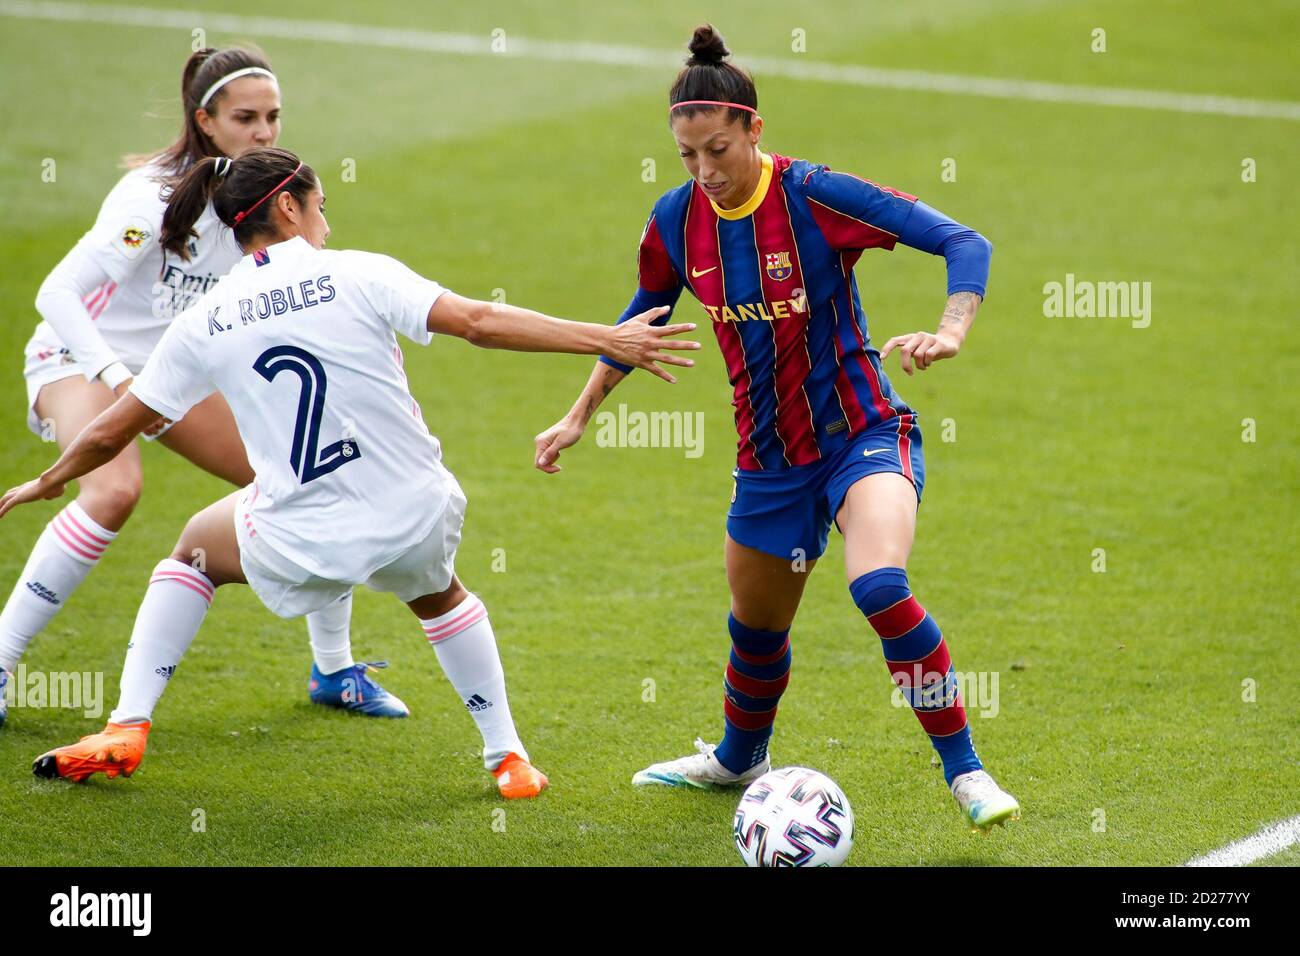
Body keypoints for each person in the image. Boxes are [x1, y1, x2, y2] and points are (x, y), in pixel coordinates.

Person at [0, 146, 697, 796]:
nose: (328, 223)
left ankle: (127, 725)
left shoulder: (203, 322)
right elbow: (480, 322)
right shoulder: (361, 272)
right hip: (414, 511)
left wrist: (51, 478)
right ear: (290, 209)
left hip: (297, 534)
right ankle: (508, 755)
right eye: (321, 206)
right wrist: (608, 337)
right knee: (443, 596)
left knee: (190, 552)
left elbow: (111, 428)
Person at [533, 25, 1019, 831]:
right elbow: (641, 316)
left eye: (718, 149)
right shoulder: (676, 220)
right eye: (687, 156)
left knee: (879, 585)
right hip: (767, 459)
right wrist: (579, 412)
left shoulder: (815, 196)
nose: (706, 171)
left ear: (755, 129)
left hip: (864, 434)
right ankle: (737, 759)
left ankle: (966, 771)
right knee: (758, 627)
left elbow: (964, 240)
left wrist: (952, 328)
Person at [0, 47, 411, 728]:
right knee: (113, 490)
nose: (264, 132)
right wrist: (113, 376)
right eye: (246, 117)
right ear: (205, 119)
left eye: (273, 117)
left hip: (169, 369)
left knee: (305, 477)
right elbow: (58, 293)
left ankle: (333, 669)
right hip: (79, 356)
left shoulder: (261, 195)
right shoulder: (148, 199)